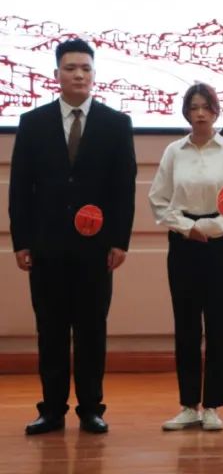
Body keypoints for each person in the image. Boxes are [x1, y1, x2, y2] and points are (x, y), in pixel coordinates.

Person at [9, 38, 137, 435]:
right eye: (70, 68)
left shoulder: (116, 124)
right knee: (50, 330)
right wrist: (21, 241)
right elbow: (20, 187)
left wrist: (119, 241)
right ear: (57, 75)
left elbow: (123, 188)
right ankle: (51, 410)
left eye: (85, 68)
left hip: (95, 249)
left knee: (91, 330)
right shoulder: (33, 123)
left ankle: (91, 408)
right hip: (46, 246)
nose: (79, 75)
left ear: (94, 75)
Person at [149, 83, 223, 432]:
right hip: (183, 241)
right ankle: (188, 405)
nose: (200, 114)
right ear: (186, 112)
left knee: (218, 325)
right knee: (186, 325)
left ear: (216, 111)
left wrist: (214, 227)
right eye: (194, 107)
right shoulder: (174, 151)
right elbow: (158, 199)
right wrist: (186, 228)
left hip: (220, 241)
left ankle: (211, 406)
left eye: (206, 107)